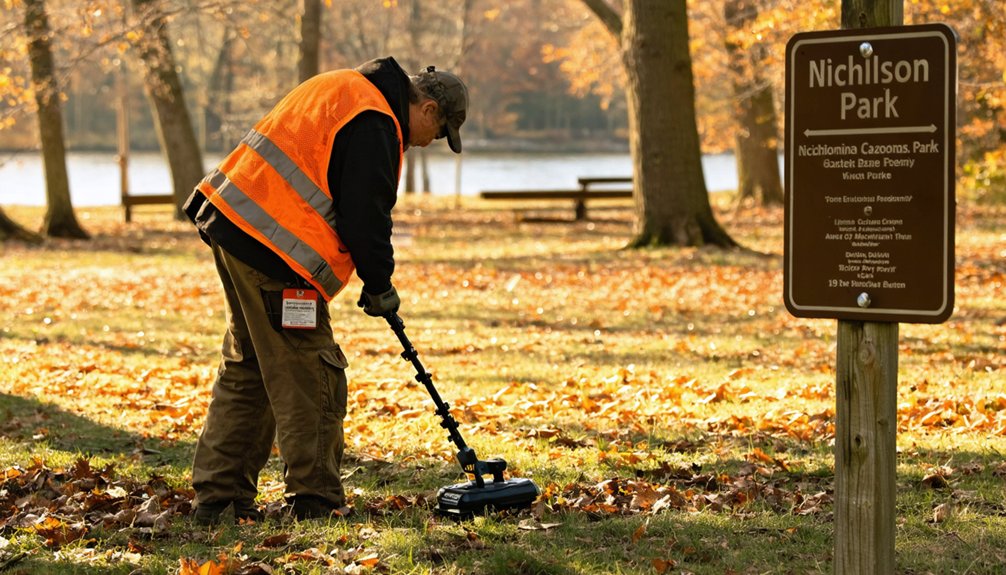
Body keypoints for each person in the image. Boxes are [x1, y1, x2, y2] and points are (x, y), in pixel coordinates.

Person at [182, 57, 468, 524]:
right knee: (312, 369)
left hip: (233, 224)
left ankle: (219, 499)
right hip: (276, 248)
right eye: (437, 134)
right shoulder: (375, 119)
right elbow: (365, 216)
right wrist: (380, 285)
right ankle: (314, 499)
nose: (427, 143)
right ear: (429, 109)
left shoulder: (344, 87)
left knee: (250, 365)